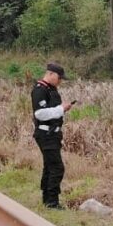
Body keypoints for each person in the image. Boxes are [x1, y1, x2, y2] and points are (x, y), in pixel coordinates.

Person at [31, 61, 73, 209]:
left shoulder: (51, 89)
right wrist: (61, 109)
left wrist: (62, 109)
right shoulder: (40, 90)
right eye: (59, 78)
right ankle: (52, 202)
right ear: (50, 74)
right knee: (57, 167)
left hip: (53, 134)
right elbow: (40, 114)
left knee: (49, 166)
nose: (60, 81)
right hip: (45, 133)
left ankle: (46, 198)